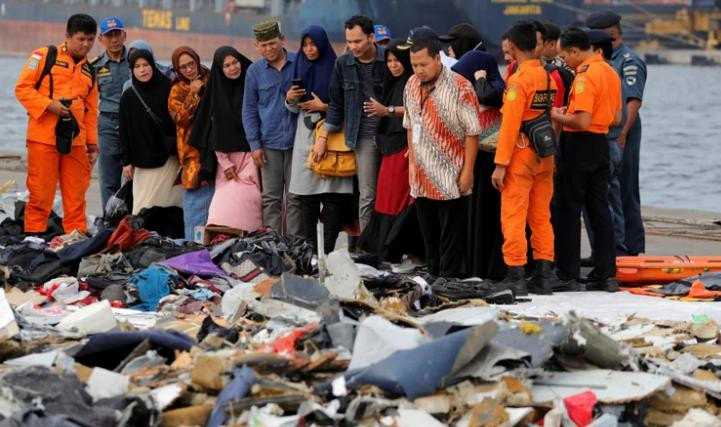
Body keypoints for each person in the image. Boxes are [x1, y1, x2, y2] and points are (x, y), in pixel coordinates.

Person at [551, 28, 622, 292]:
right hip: (601, 143)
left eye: (564, 56)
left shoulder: (584, 77)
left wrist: (557, 115)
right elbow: (616, 118)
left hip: (578, 144)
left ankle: (567, 273)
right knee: (599, 210)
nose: (564, 62)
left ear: (575, 51)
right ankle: (606, 273)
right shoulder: (610, 72)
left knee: (568, 210)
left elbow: (581, 120)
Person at [403, 36, 481, 278]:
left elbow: (473, 132)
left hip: (451, 175)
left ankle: (449, 280)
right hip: (422, 176)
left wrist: (468, 172)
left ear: (438, 58)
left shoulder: (461, 86)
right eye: (414, 65)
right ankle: (434, 276)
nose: (419, 70)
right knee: (429, 234)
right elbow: (409, 125)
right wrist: (412, 163)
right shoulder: (411, 85)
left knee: (451, 235)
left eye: (423, 64)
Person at [15, 13, 99, 234]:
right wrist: (49, 105)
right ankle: (34, 238)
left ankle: (75, 239)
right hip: (43, 138)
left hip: (76, 142)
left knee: (76, 196)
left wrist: (92, 145)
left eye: (91, 39)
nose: (86, 44)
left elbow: (91, 111)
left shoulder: (90, 70)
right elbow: (22, 89)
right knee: (40, 194)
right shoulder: (44, 56)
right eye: (81, 39)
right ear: (67, 36)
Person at [491, 21, 557, 296]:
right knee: (541, 216)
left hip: (520, 154)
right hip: (545, 154)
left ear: (515, 47)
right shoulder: (547, 77)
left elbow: (509, 125)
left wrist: (500, 164)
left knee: (513, 216)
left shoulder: (519, 81)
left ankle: (515, 275)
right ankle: (543, 277)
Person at [285, 25, 353, 254]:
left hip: (333, 137)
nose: (309, 49)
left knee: (333, 197)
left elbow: (346, 104)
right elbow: (294, 110)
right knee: (306, 198)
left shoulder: (337, 67)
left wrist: (323, 106)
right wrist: (290, 98)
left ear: (323, 44)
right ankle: (310, 253)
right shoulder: (299, 66)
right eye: (305, 45)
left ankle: (329, 252)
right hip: (306, 138)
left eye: (313, 44)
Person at [587, 11, 647, 256]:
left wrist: (622, 134)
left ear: (611, 33)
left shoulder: (629, 60)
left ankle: (632, 248)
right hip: (606, 131)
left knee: (625, 188)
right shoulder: (602, 60)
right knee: (607, 191)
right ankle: (605, 248)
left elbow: (633, 101)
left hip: (625, 131)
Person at [358, 39, 423, 263]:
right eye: (389, 61)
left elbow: (417, 111)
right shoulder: (391, 82)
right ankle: (381, 247)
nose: (393, 65)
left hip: (404, 148)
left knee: (396, 198)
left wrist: (387, 111)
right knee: (384, 197)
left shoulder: (412, 83)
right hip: (389, 147)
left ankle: (393, 246)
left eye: (397, 60)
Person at [326, 15, 388, 232]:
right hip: (362, 138)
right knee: (368, 194)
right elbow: (336, 103)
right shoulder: (342, 63)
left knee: (393, 193)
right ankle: (367, 246)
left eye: (358, 41)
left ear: (372, 37)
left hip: (392, 135)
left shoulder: (389, 59)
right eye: (349, 42)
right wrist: (324, 136)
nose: (352, 47)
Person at [190, 46, 262, 233]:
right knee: (224, 209)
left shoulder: (253, 86)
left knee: (253, 202)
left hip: (253, 157)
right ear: (220, 70)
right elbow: (211, 130)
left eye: (235, 62)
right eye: (227, 65)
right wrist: (224, 162)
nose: (233, 68)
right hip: (226, 163)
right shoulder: (215, 94)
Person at [242, 20, 301, 237]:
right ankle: (274, 244)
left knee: (296, 197)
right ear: (256, 46)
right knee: (271, 198)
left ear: (282, 40)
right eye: (263, 45)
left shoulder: (299, 62)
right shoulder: (254, 72)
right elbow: (248, 111)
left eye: (272, 43)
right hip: (268, 145)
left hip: (298, 143)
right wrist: (254, 145)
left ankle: (295, 244)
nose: (268, 49)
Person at [451, 51, 506, 280]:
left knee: (487, 218)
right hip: (473, 161)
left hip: (489, 163)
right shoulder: (468, 93)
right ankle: (473, 266)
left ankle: (487, 268)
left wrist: (481, 79)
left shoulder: (494, 91)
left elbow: (489, 97)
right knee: (472, 216)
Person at [119, 49, 182, 215]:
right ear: (132, 70)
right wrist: (126, 161)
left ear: (153, 65)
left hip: (170, 159)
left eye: (146, 65)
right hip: (143, 161)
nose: (142, 70)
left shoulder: (169, 89)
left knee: (172, 204)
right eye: (137, 66)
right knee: (143, 206)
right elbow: (124, 131)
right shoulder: (129, 97)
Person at [168, 46, 213, 241]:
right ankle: (193, 249)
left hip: (215, 154)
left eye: (191, 64)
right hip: (193, 158)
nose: (188, 70)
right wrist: (194, 94)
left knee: (215, 211)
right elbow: (180, 119)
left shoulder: (211, 79)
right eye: (183, 67)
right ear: (177, 70)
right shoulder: (177, 90)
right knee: (195, 210)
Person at [91, 16, 130, 212]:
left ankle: (134, 220)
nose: (114, 40)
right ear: (101, 39)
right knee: (108, 178)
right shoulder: (95, 66)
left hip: (134, 124)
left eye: (117, 34)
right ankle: (109, 221)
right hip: (107, 124)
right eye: (109, 36)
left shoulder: (136, 60)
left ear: (124, 35)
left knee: (137, 176)